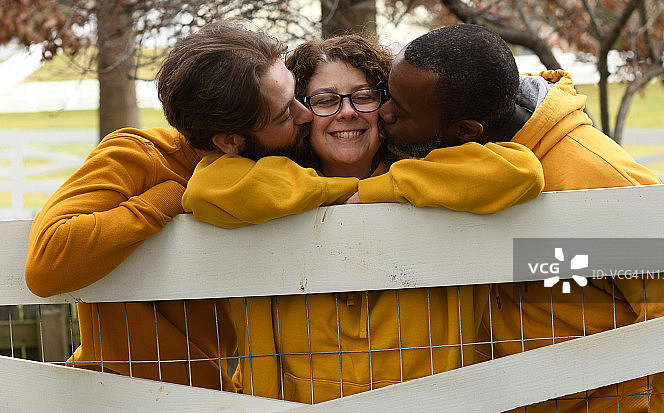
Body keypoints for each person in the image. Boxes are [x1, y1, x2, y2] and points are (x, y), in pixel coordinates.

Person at [368, 23, 664, 412]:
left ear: (465, 131)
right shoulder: (449, 145)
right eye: (387, 96)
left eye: (401, 111)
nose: (383, 114)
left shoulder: (604, 181)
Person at [181, 33, 545, 402]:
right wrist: (336, 194)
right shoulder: (267, 183)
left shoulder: (425, 173)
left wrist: (377, 191)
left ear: (386, 106)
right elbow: (205, 189)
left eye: (364, 96)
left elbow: (519, 171)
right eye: (324, 101)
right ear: (302, 113)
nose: (347, 112)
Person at [25, 22, 317, 391]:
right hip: (107, 395)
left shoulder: (276, 167)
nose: (304, 115)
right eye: (285, 114)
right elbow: (46, 264)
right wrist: (169, 197)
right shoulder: (138, 155)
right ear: (229, 140)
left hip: (216, 395)